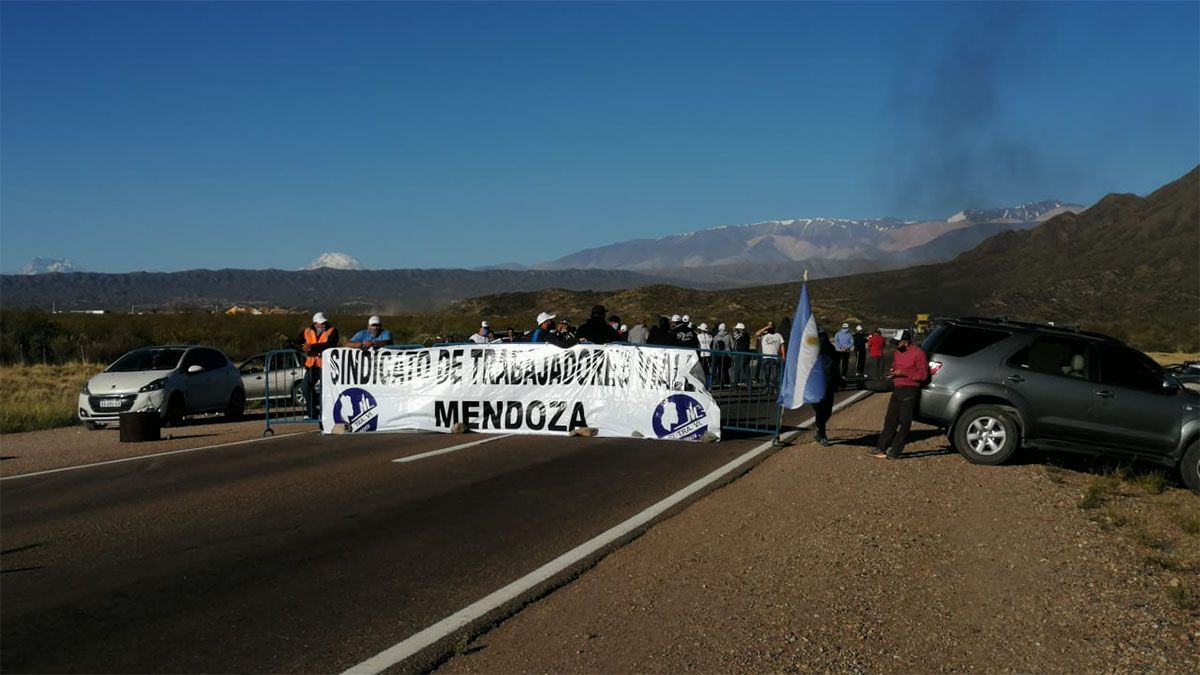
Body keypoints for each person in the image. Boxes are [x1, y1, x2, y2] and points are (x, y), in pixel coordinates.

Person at [871, 331, 930, 460]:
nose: (896, 345)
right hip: (897, 388)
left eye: (898, 342)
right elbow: (896, 366)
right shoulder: (897, 353)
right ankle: (881, 447)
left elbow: (923, 375)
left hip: (910, 389)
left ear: (906, 341)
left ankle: (896, 449)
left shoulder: (918, 353)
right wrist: (893, 372)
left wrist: (904, 373)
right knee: (890, 419)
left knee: (904, 421)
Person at [298, 312, 339, 419]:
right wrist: (302, 347)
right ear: (315, 324)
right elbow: (297, 342)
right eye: (321, 323)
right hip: (312, 365)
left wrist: (312, 347)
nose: (323, 324)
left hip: (326, 366)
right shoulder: (307, 331)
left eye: (324, 322)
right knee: (306, 387)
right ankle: (312, 412)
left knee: (325, 389)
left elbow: (330, 345)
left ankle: (326, 412)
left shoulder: (332, 331)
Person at [812, 329, 844, 446]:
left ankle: (818, 427)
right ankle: (822, 434)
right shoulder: (811, 351)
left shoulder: (831, 351)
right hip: (815, 387)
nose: (821, 339)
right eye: (819, 336)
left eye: (823, 336)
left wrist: (839, 381)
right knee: (820, 411)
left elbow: (835, 367)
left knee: (827, 413)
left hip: (829, 385)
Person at [755, 321, 786, 387]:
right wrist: (766, 328)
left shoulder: (778, 335)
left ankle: (775, 387)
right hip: (766, 357)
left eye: (771, 325)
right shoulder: (764, 335)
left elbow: (782, 345)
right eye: (769, 325)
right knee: (766, 374)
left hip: (775, 357)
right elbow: (757, 333)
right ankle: (766, 387)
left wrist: (783, 355)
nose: (770, 327)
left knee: (775, 375)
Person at [710, 322, 733, 387]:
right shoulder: (729, 336)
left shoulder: (716, 337)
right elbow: (733, 345)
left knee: (720, 369)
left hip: (719, 355)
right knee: (725, 369)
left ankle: (720, 382)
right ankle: (727, 381)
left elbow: (714, 347)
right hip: (727, 355)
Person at [731, 322, 751, 386]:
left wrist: (734, 331)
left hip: (740, 354)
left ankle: (735, 385)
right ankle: (749, 384)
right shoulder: (746, 334)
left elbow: (735, 337)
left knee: (737, 370)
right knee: (746, 370)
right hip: (746, 354)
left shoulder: (743, 335)